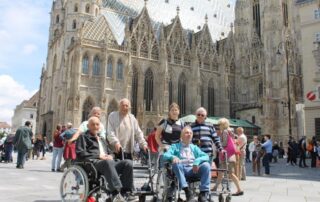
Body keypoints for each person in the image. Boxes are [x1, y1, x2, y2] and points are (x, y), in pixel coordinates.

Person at [76, 117, 136, 202]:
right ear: (88, 126)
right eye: (93, 124)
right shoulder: (83, 137)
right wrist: (98, 156)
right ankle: (115, 193)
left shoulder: (102, 139)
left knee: (128, 163)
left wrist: (111, 156)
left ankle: (126, 192)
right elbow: (80, 153)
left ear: (100, 126)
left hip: (108, 162)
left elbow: (110, 152)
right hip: (94, 163)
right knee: (107, 162)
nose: (95, 126)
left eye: (97, 124)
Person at [163, 126, 211, 202]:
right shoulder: (175, 146)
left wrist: (197, 162)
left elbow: (206, 156)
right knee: (176, 163)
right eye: (186, 133)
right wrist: (173, 157)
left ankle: (203, 194)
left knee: (206, 165)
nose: (189, 134)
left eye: (190, 133)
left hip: (193, 169)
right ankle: (187, 192)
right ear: (181, 136)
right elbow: (165, 155)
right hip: (181, 170)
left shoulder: (194, 147)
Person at [213, 118, 243, 196]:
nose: (218, 126)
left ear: (223, 125)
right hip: (230, 155)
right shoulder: (230, 131)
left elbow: (225, 144)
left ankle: (239, 189)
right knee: (220, 172)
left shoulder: (225, 132)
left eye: (219, 124)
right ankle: (215, 187)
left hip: (227, 156)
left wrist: (218, 144)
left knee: (230, 174)